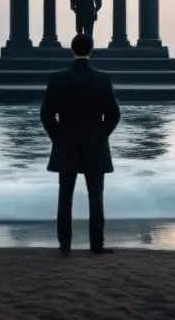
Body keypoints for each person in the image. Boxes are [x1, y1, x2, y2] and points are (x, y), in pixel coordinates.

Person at [39, 32, 121, 256]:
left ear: (72, 50)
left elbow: (46, 114)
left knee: (65, 196)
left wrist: (58, 137)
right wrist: (102, 134)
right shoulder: (102, 79)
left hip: (66, 144)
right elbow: (114, 114)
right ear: (91, 50)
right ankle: (97, 244)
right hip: (95, 144)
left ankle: (65, 245)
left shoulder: (58, 78)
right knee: (96, 196)